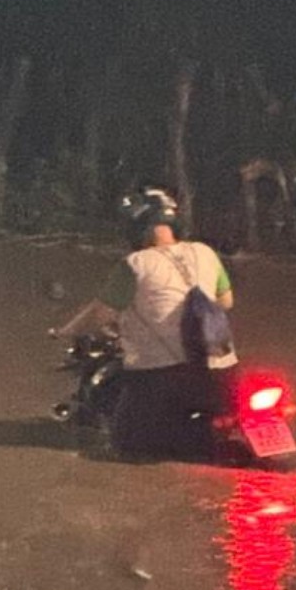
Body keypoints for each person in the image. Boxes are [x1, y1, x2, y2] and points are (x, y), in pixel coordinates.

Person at [54, 187, 238, 460]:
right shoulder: (205, 253)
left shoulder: (134, 265)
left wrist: (64, 331)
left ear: (134, 225)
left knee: (124, 445)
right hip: (223, 372)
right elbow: (226, 302)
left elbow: (100, 315)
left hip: (162, 379)